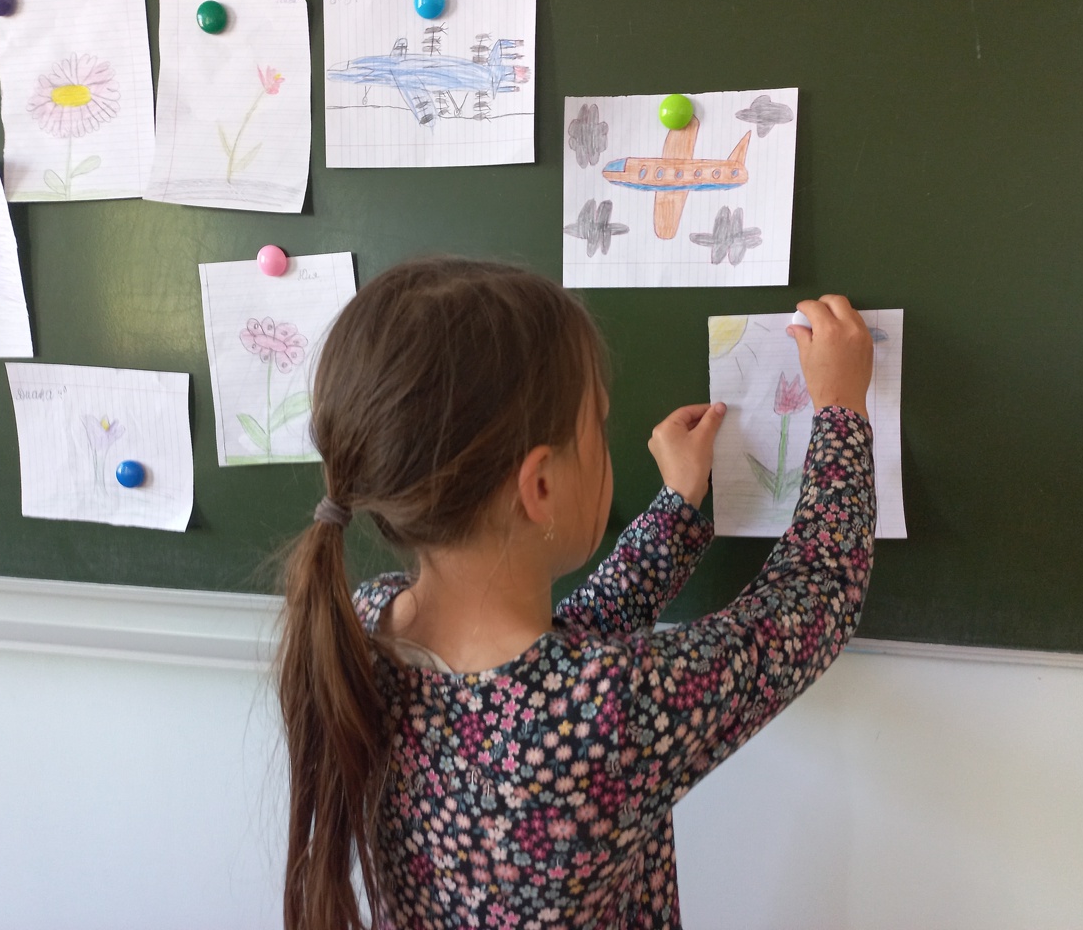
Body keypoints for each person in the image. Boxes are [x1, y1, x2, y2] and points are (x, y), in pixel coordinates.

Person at [278, 258, 875, 930]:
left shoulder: (366, 626)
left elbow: (567, 650)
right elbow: (817, 596)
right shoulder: (608, 709)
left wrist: (677, 507)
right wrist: (841, 412)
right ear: (539, 486)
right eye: (599, 428)